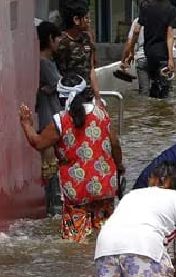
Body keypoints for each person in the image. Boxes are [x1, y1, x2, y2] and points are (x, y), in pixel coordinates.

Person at [19, 75, 122, 242]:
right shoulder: (102, 113)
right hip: (104, 185)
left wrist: (26, 124)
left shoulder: (60, 121)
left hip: (76, 189)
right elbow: (115, 145)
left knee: (76, 242)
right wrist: (119, 166)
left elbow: (38, 143)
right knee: (105, 237)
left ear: (61, 98)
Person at [122, 0, 176, 99]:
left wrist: (131, 51)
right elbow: (169, 35)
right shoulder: (172, 10)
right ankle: (158, 116)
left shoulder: (146, 8)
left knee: (146, 94)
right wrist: (170, 59)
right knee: (163, 95)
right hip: (162, 57)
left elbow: (136, 31)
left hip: (147, 55)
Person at [36, 21, 63, 216]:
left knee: (51, 165)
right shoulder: (44, 63)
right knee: (50, 165)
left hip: (51, 115)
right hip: (48, 119)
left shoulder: (48, 62)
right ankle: (51, 206)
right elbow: (60, 84)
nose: (60, 41)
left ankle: (52, 203)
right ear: (50, 39)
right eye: (57, 38)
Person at [55, 0, 101, 104]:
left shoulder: (86, 38)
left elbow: (91, 68)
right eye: (86, 18)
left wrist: (97, 96)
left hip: (88, 97)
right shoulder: (61, 43)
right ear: (76, 20)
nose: (89, 21)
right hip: (68, 99)